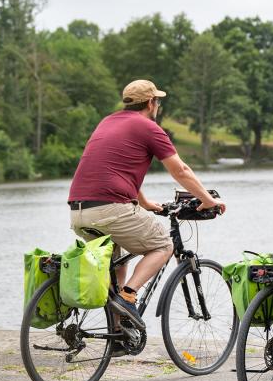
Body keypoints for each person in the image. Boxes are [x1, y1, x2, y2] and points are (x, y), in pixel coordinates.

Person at [68, 79, 226, 336]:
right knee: (164, 245)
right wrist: (208, 199)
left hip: (78, 210)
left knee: (118, 262)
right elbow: (181, 170)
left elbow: (116, 169)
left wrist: (144, 203)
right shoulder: (149, 128)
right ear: (152, 103)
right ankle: (128, 297)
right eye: (158, 101)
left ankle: (119, 334)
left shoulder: (107, 122)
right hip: (110, 209)